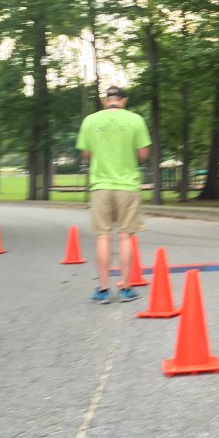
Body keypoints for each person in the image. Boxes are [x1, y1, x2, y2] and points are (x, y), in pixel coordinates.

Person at [75, 85, 150, 304]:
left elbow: (86, 153)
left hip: (100, 185)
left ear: (105, 101)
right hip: (127, 185)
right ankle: (125, 288)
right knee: (126, 236)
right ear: (124, 100)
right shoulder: (136, 120)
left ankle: (103, 290)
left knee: (103, 236)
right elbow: (143, 154)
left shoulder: (90, 121)